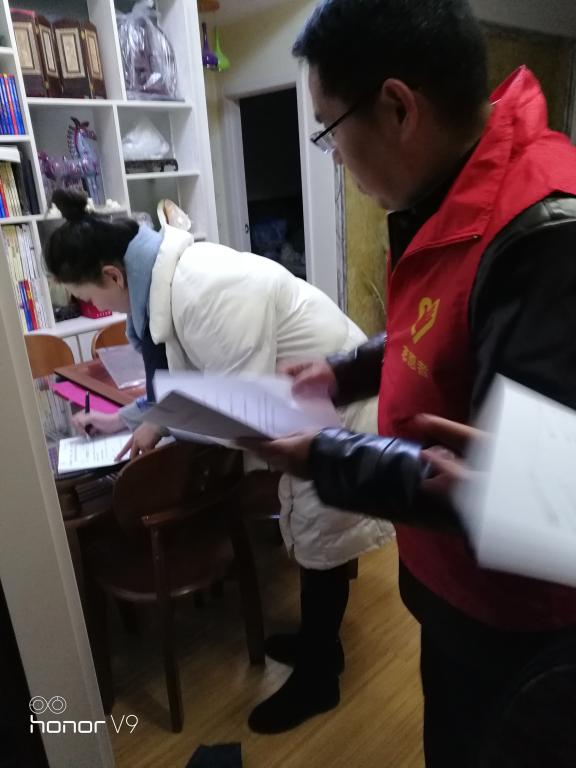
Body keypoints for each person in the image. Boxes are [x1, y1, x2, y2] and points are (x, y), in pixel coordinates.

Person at [241, 0, 576, 765]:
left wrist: (320, 457)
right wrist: (346, 369)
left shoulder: (545, 238)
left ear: (397, 108)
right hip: (454, 598)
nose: (334, 156)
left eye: (329, 130)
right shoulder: (461, 186)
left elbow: (531, 495)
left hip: (516, 629)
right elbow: (446, 314)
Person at [45, 188, 390, 734]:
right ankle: (318, 645)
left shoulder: (203, 289)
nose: (99, 308)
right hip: (304, 401)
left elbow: (237, 407)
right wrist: (128, 421)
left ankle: (320, 677)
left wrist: (161, 422)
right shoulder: (169, 279)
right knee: (315, 535)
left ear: (112, 275)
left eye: (89, 297)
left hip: (336, 406)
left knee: (323, 539)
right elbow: (188, 382)